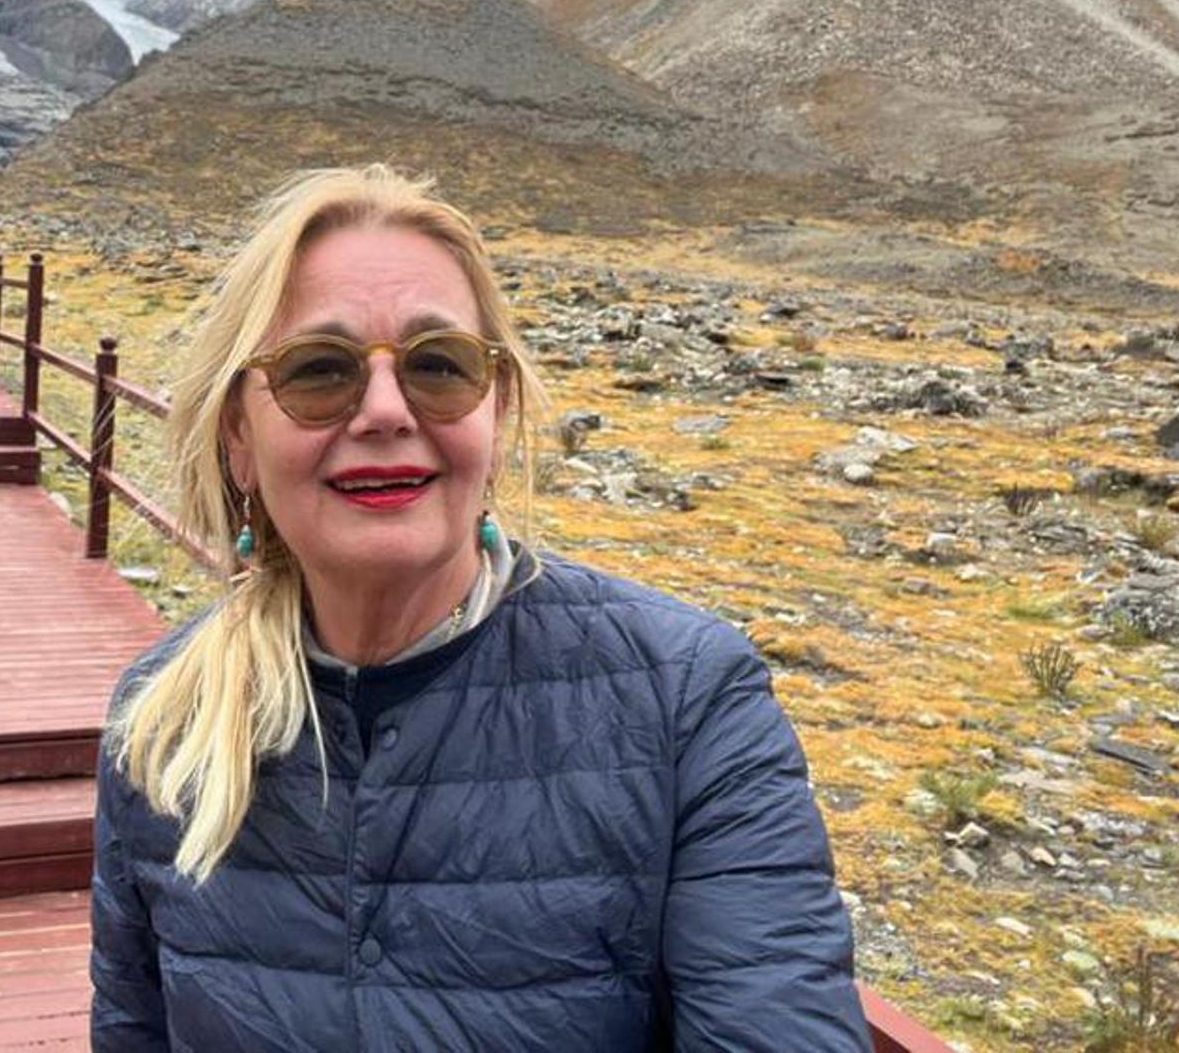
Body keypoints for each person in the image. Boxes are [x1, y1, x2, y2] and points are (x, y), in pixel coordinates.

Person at [89, 165, 872, 1051]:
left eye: (439, 365)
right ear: (239, 436)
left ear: (496, 414)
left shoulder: (687, 701)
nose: (385, 411)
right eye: (317, 372)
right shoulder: (163, 724)